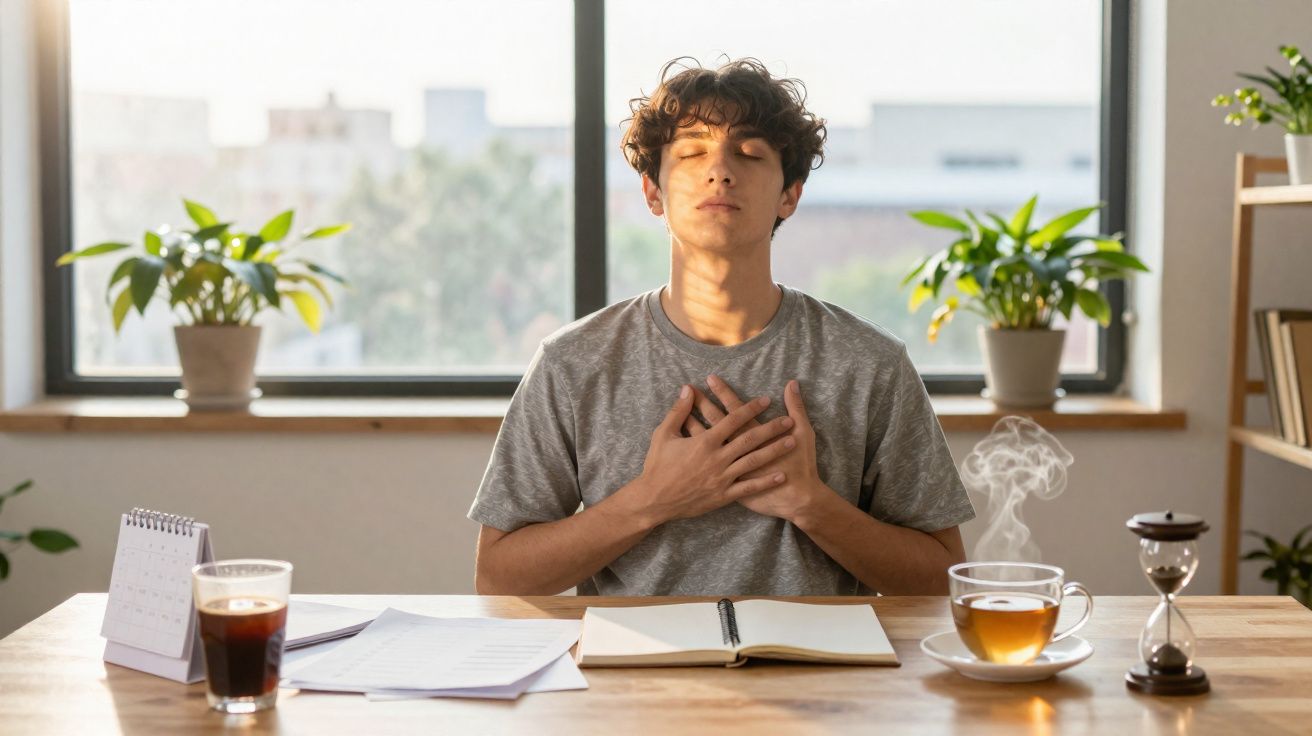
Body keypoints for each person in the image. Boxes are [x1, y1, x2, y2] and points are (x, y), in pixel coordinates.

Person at [468, 57, 974, 597]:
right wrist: (654, 498)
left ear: (790, 194)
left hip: (820, 676)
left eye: (750, 153)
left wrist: (812, 504)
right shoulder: (574, 362)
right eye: (691, 152)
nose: (720, 169)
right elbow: (498, 577)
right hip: (632, 676)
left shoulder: (869, 362)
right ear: (652, 194)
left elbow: (942, 582)